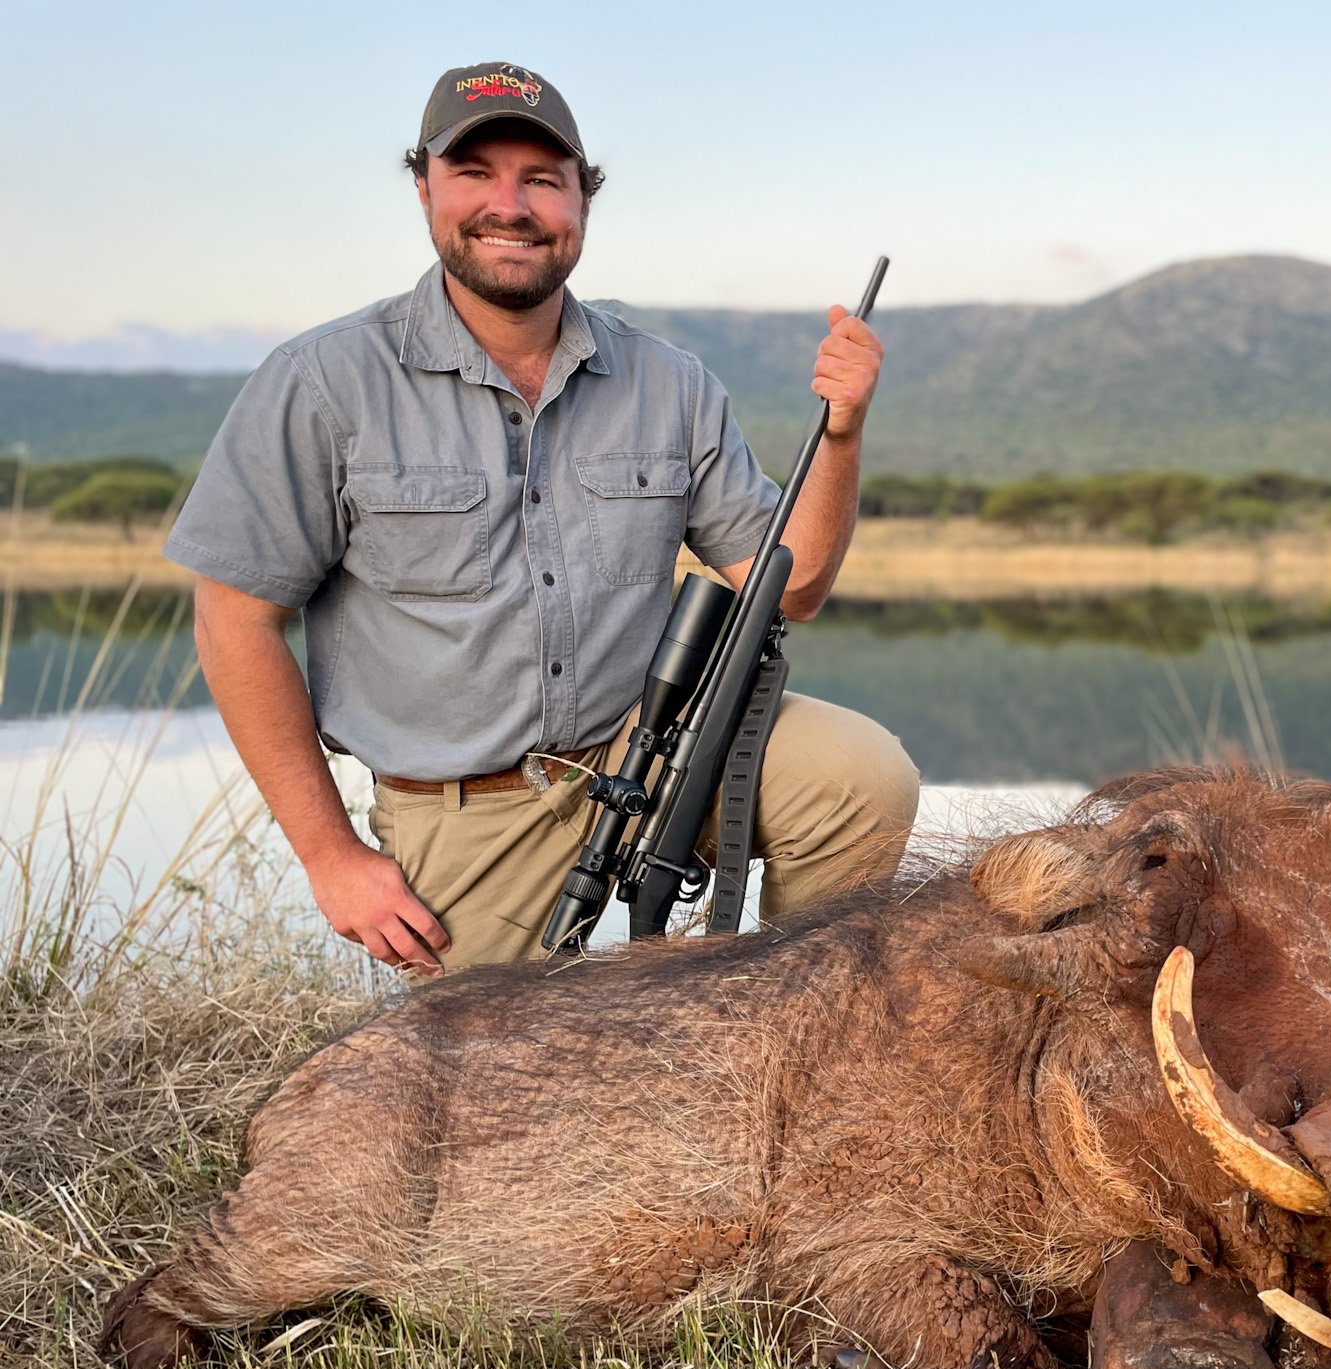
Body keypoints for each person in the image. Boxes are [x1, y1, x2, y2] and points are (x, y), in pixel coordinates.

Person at [163, 62, 919, 976]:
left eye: (542, 180)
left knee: (863, 779)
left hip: (649, 751)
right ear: (425, 190)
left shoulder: (671, 382)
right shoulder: (322, 382)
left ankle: (791, 1031)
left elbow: (791, 587)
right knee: (487, 1102)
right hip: (463, 809)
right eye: (476, 174)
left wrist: (841, 433)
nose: (509, 205)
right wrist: (333, 859)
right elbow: (235, 621)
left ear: (582, 204)